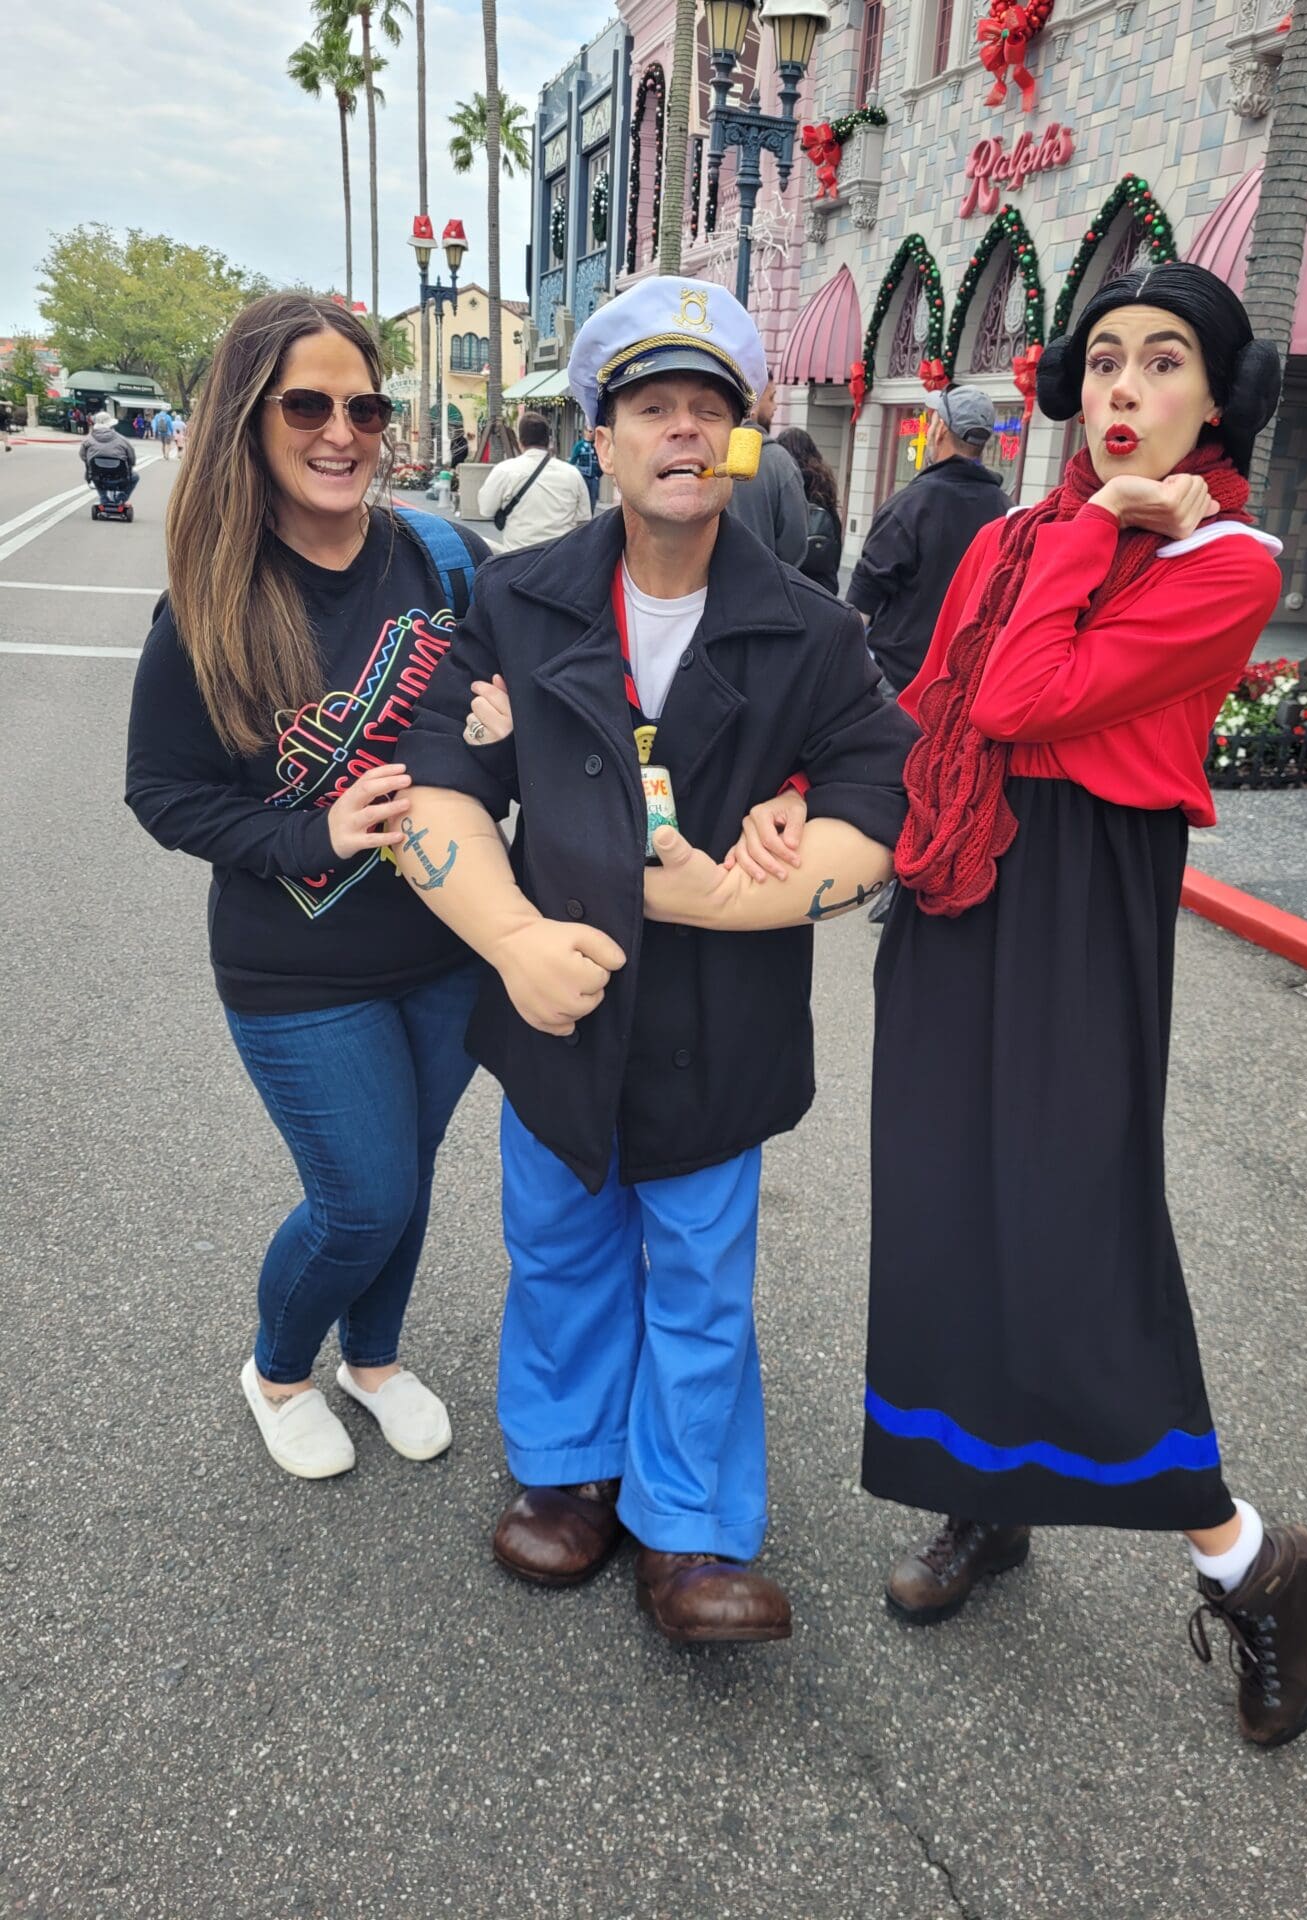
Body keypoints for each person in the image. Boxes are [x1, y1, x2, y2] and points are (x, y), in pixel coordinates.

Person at [840, 263, 1307, 1750]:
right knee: (941, 1203)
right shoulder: (1008, 532)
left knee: (1073, 1231)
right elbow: (935, 701)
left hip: (1082, 909)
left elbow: (1019, 698)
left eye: (1164, 362)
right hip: (958, 893)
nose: (1124, 389)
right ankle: (984, 1501)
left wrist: (1106, 528)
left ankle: (1260, 1562)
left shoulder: (1229, 563)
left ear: (1214, 397)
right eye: (1105, 360)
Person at [394, 275, 914, 1645]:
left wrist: (723, 904)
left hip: (719, 1025)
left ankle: (690, 1532)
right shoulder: (513, 602)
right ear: (602, 440)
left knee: (696, 1275)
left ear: (741, 439)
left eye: (710, 410)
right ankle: (568, 1472)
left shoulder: (816, 630)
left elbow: (878, 810)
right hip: (554, 1010)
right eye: (650, 408)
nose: (682, 432)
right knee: (558, 1246)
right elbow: (437, 782)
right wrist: (508, 938)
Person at [125, 292, 490, 1481]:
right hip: (295, 968)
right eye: (308, 404)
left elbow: (541, 687)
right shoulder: (212, 602)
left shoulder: (441, 558)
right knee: (361, 1197)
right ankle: (279, 1367)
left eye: (365, 406)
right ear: (250, 419)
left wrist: (510, 725)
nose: (343, 430)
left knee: (413, 1175)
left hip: (445, 944)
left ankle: (371, 1361)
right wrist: (312, 832)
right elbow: (165, 792)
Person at [847, 386, 1011, 698]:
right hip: (963, 687)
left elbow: (860, 606)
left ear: (940, 431)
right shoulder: (1005, 512)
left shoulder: (910, 505)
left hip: (897, 683)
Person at [476, 410, 591, 552]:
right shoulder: (572, 474)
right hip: (560, 559)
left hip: (518, 558)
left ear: (520, 441)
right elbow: (583, 520)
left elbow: (485, 509)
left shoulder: (504, 471)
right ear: (548, 440)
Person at [724, 381, 807, 567]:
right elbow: (795, 542)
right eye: (771, 398)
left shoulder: (709, 454)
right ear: (751, 406)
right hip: (763, 584)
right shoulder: (780, 463)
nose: (776, 406)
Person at [777, 426, 843, 594]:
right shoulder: (823, 481)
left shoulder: (784, 481)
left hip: (793, 581)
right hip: (823, 582)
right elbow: (835, 529)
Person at [78, 412, 138, 503]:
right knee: (135, 477)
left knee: (95, 473)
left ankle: (103, 497)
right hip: (120, 477)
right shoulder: (122, 440)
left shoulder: (87, 440)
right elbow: (132, 459)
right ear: (111, 425)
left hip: (98, 477)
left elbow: (83, 456)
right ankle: (122, 497)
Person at [569, 423, 602, 508]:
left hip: (594, 478)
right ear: (585, 431)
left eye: (593, 432)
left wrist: (598, 474)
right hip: (583, 477)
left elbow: (601, 460)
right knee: (582, 500)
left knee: (592, 501)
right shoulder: (579, 445)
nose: (592, 434)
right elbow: (572, 461)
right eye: (590, 431)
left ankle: (591, 518)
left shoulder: (596, 445)